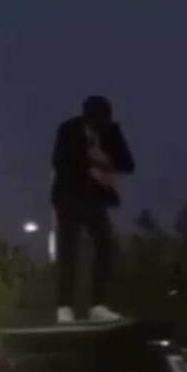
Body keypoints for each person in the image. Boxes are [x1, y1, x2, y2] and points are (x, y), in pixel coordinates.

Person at [51, 95, 135, 323]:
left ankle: (98, 304)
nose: (98, 127)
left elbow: (128, 163)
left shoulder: (111, 132)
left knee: (105, 244)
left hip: (94, 199)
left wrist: (104, 160)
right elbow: (59, 161)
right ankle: (64, 306)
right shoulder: (69, 129)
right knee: (68, 249)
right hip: (69, 196)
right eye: (95, 123)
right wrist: (90, 161)